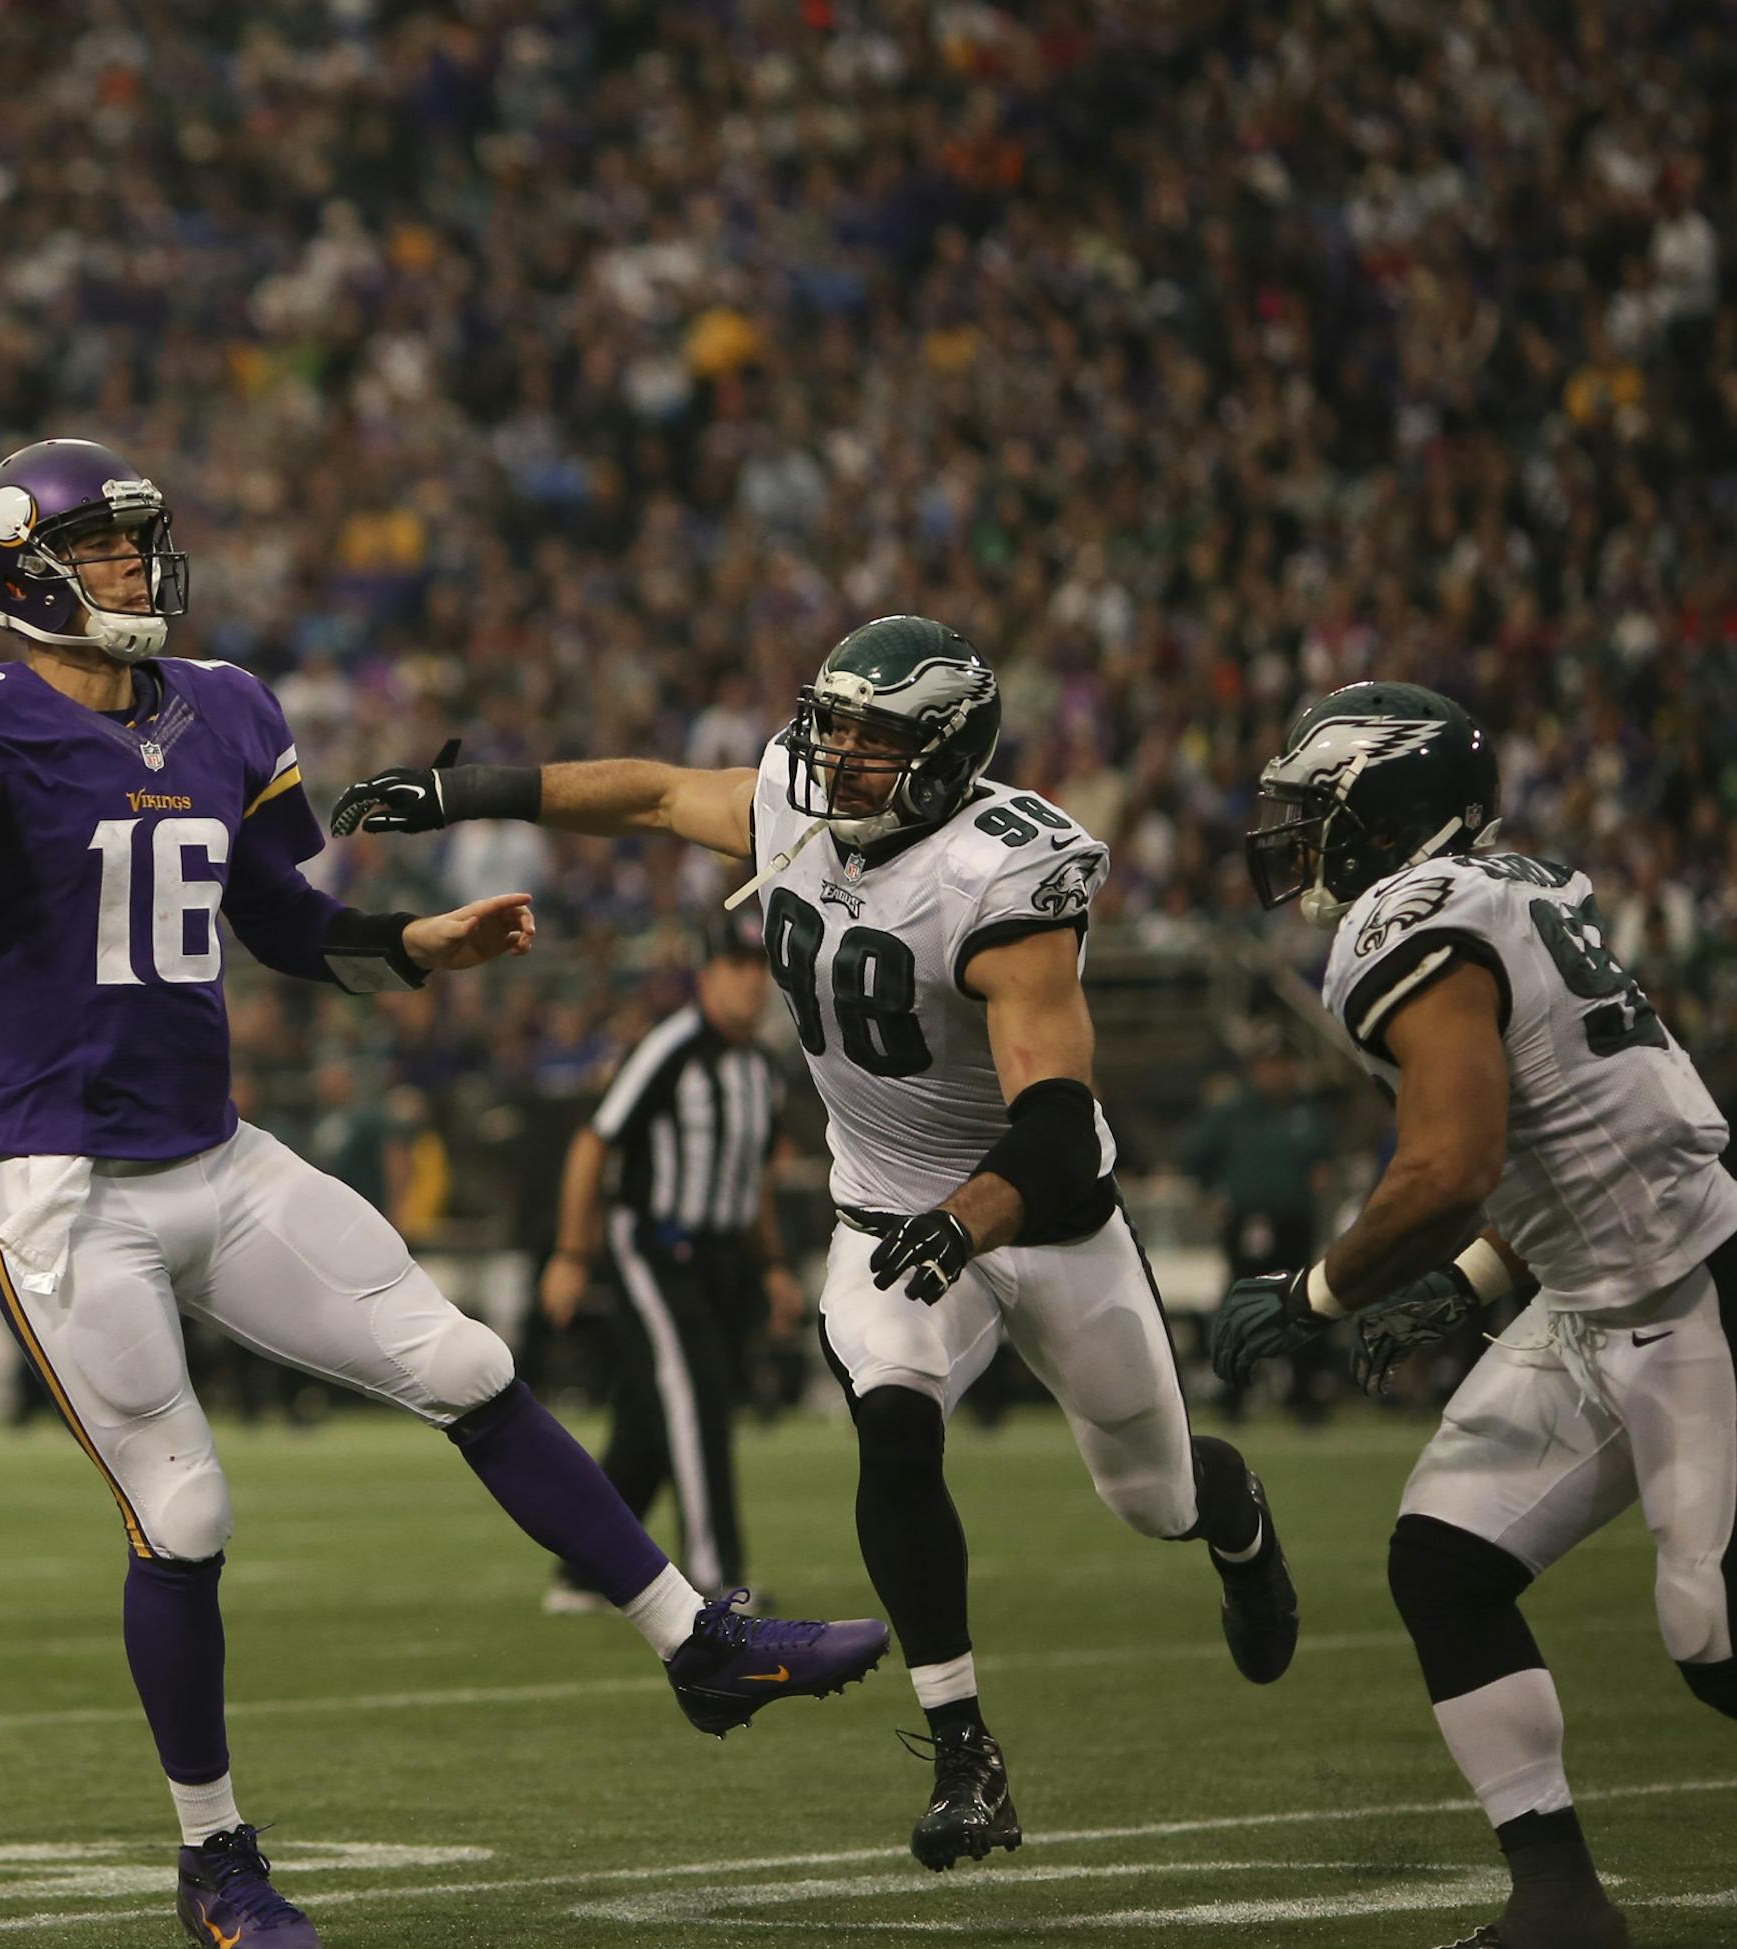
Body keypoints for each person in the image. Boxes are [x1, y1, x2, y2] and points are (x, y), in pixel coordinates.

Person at [0, 438, 886, 1949]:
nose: (134, 565)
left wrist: (411, 944)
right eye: (102, 546)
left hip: (211, 1151)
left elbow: (280, 917)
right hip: (59, 1177)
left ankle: (698, 1644)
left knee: (465, 1360)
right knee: (186, 1511)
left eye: (136, 539)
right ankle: (216, 1859)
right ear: (22, 574)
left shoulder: (223, 705)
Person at [334, 612, 1299, 1872]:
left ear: (947, 756)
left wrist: (968, 1219)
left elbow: (1059, 1129)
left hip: (1041, 1218)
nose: (837, 758)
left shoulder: (1001, 875)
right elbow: (651, 793)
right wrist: (465, 792)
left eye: (873, 739)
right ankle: (963, 1749)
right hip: (887, 1218)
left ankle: (1236, 1520)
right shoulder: (798, 797)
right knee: (894, 1420)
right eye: (833, 727)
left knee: (1156, 1497)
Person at [1212, 680, 1737, 1949]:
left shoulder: (1413, 919)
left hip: (1693, 1285)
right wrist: (1470, 1279)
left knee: (1711, 1627)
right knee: (1445, 1558)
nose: (1298, 836)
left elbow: (1454, 1159)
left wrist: (1317, 1290)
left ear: (1385, 813)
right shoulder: (1507, 887)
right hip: (1605, 1288)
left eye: (1318, 808)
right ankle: (1557, 1903)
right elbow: (1579, 1130)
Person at [539, 908, 804, 1608]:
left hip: (723, 1257)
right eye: (736, 967)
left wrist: (773, 1265)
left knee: (649, 1418)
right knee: (696, 1393)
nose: (750, 982)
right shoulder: (671, 1047)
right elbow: (593, 1142)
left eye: (759, 968)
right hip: (654, 1246)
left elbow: (755, 1178)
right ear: (706, 975)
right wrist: (572, 1253)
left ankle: (585, 1570)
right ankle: (715, 1573)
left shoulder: (762, 1067)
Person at [1177, 1029, 1334, 1422]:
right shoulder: (1233, 1113)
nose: (1275, 1073)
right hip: (1247, 1223)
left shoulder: (1306, 1111)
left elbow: (1324, 1158)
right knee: (1244, 1303)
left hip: (1294, 1221)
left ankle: (1304, 1394)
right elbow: (1193, 1156)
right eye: (1267, 1065)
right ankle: (1233, 1395)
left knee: (1302, 1303)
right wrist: (1211, 1194)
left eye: (1282, 1065)